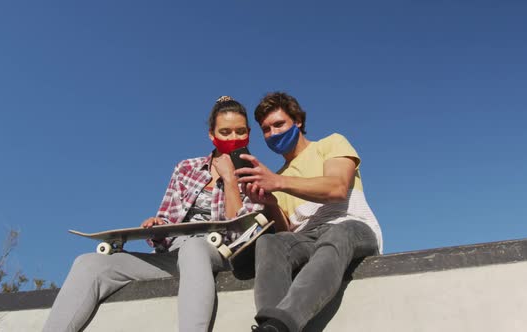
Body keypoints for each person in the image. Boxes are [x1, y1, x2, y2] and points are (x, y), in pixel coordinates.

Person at [42, 96, 263, 332]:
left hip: (219, 253)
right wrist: (158, 226)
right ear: (212, 134)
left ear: (249, 132)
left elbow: (242, 235)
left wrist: (230, 178)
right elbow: (166, 224)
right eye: (225, 131)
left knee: (193, 248)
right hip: (174, 254)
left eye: (240, 132)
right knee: (89, 263)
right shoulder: (186, 168)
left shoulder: (256, 175)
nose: (233, 138)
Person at [235, 92, 383, 332]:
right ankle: (269, 327)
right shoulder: (277, 178)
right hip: (307, 238)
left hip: (351, 226)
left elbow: (336, 187)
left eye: (279, 124)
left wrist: (278, 182)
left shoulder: (331, 143)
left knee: (337, 233)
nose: (273, 134)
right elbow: (287, 235)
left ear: (298, 121)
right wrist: (271, 203)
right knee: (270, 243)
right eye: (266, 129)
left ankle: (282, 325)